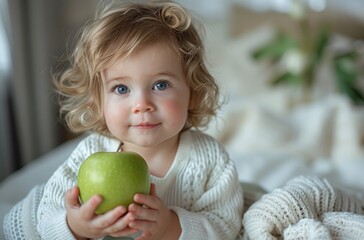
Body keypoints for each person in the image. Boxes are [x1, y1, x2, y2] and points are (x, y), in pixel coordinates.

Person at [5, 1, 244, 239]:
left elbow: (226, 226)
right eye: (121, 89)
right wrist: (76, 228)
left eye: (160, 85)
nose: (142, 104)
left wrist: (171, 227)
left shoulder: (210, 159)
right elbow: (46, 221)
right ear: (99, 102)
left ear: (193, 92)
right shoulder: (90, 153)